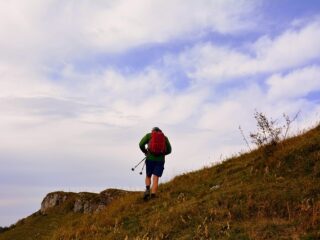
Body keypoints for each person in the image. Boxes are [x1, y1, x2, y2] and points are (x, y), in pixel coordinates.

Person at [139, 127, 172, 200]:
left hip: (150, 159)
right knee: (156, 178)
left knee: (148, 175)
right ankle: (153, 195)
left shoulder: (149, 135)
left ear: (152, 131)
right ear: (160, 131)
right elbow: (169, 150)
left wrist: (145, 151)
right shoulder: (164, 138)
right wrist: (162, 153)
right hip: (160, 160)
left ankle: (147, 190)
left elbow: (141, 144)